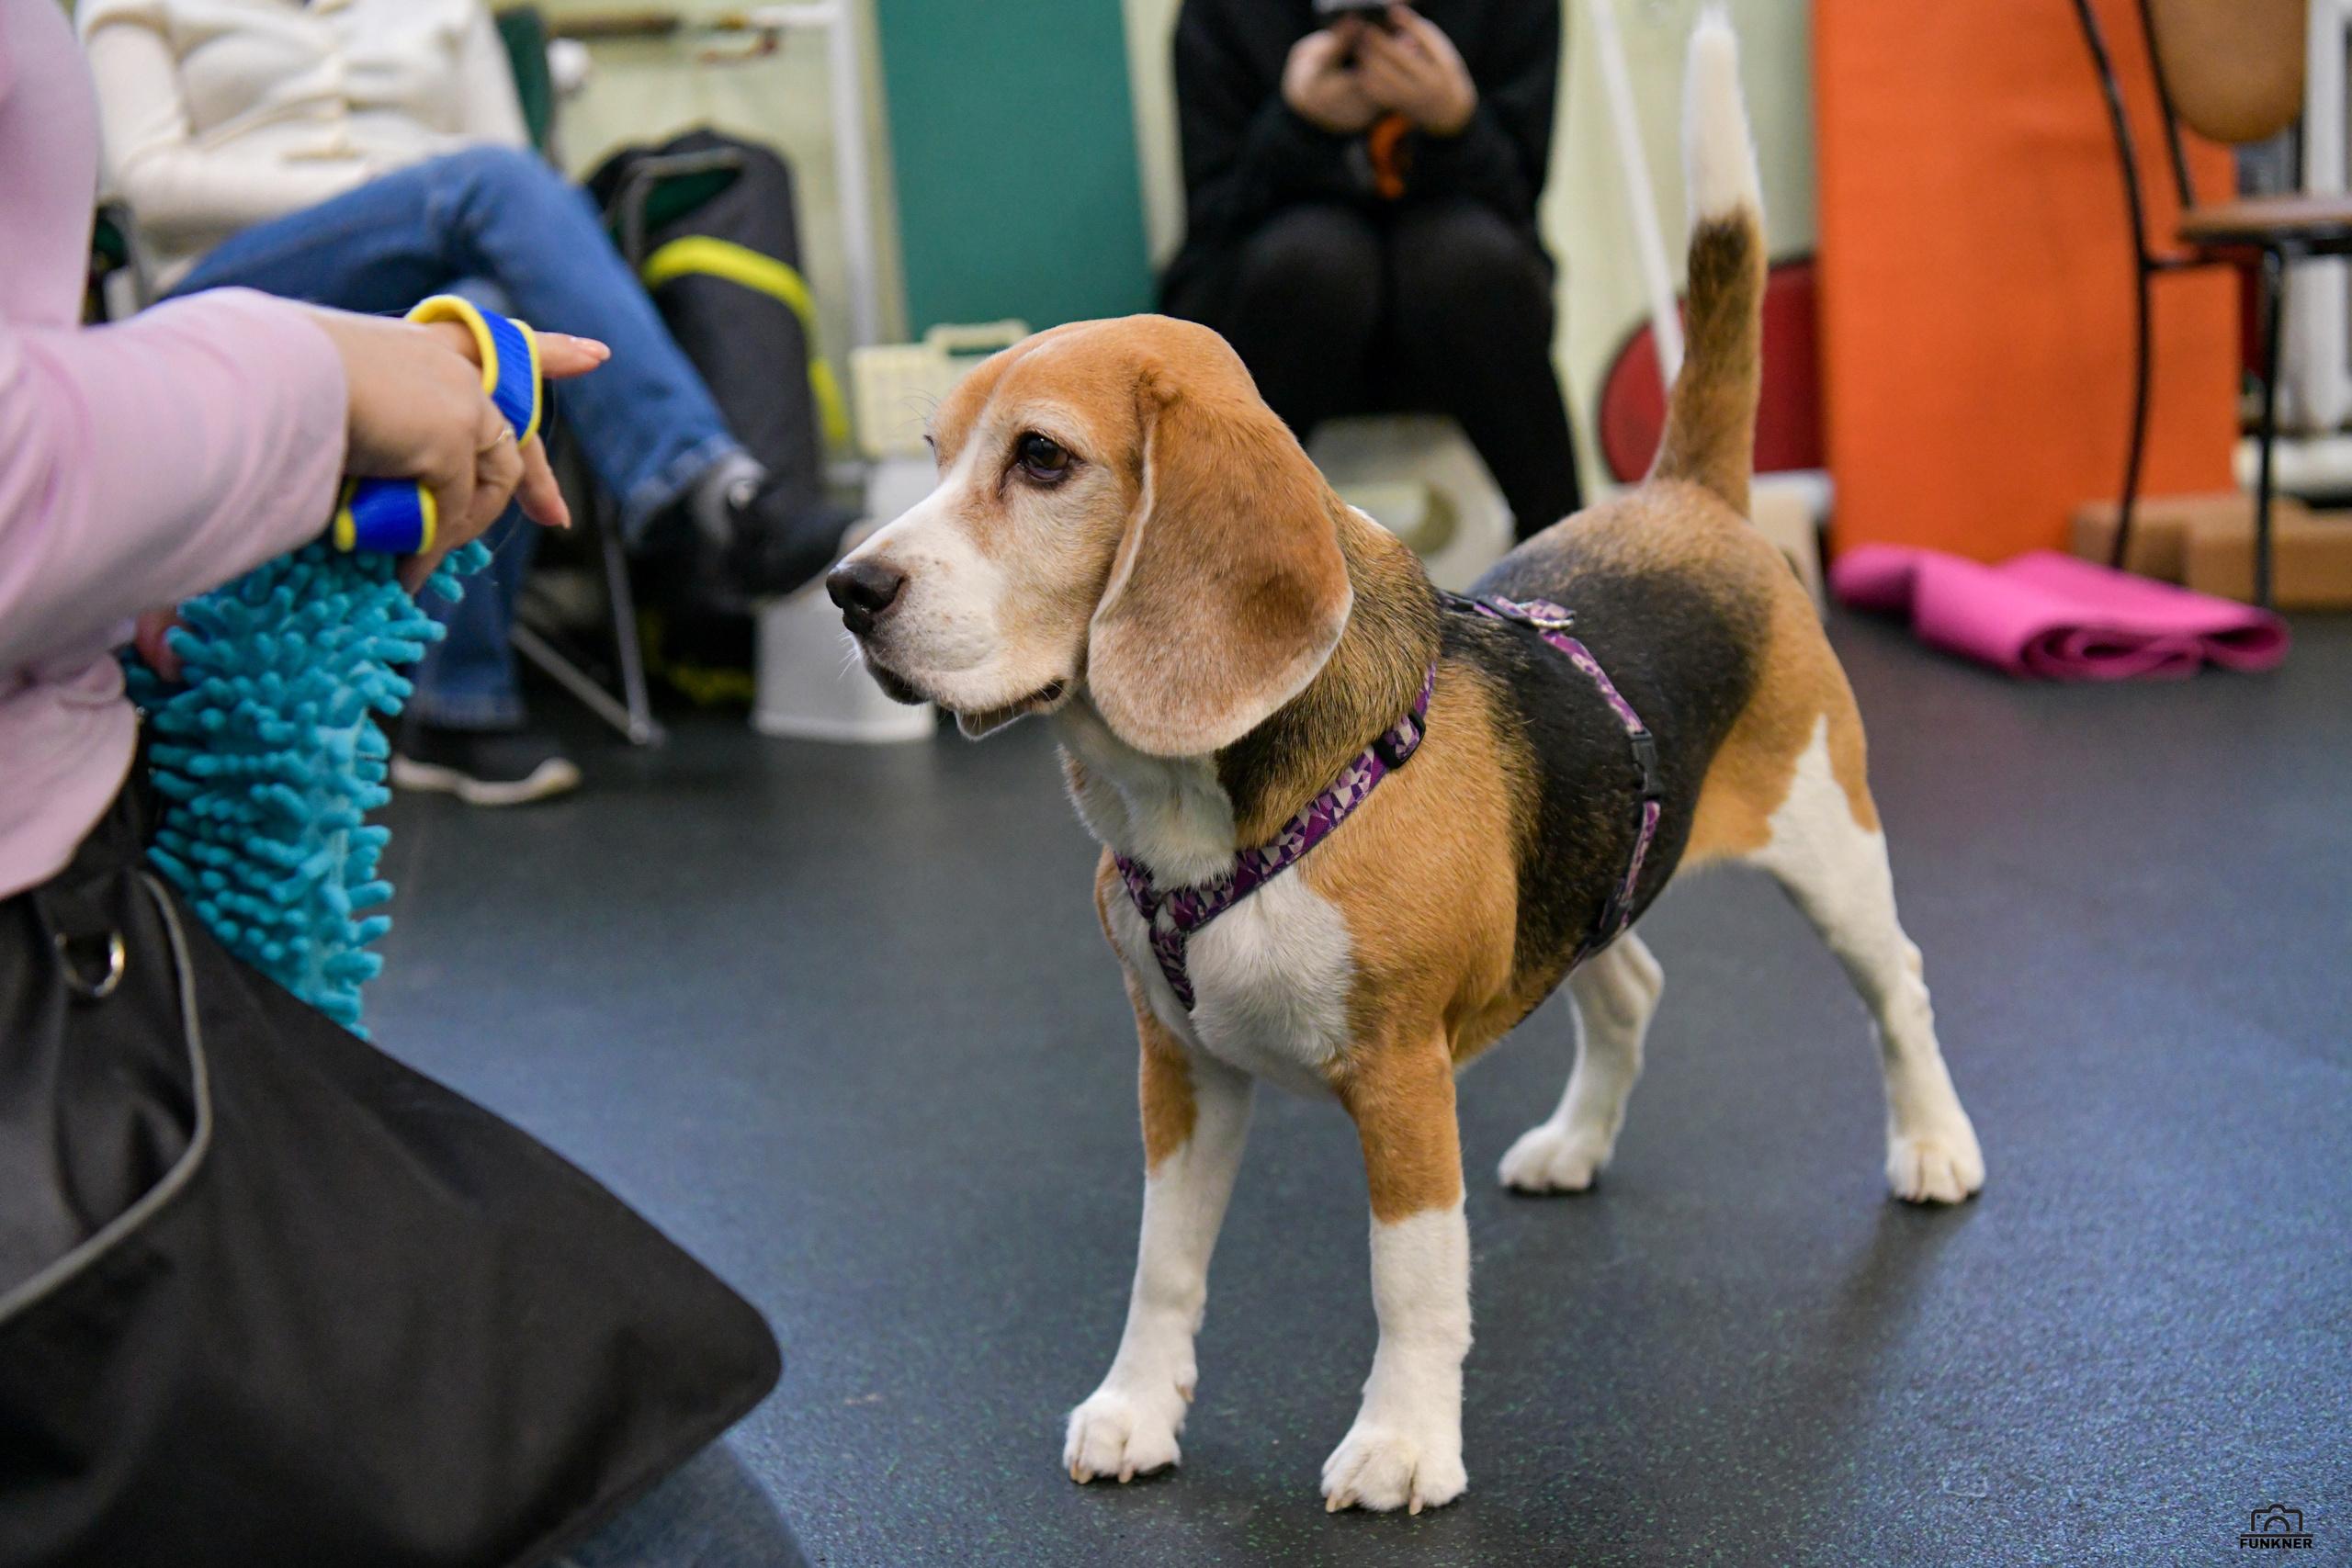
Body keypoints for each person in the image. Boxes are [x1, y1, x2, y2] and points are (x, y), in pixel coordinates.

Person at [77, 0, 851, 803]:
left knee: (491, 317)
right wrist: (394, 188)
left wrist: (437, 198)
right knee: (489, 189)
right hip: (236, 285)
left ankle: (459, 705)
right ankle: (719, 497)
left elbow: (511, 166)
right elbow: (150, 181)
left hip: (434, 262)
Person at [1162, 0, 1581, 541]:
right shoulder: (1223, 15)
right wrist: (1296, 126)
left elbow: (1517, 202)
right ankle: (1212, 557)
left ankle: (1566, 556)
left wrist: (1458, 123)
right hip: (1278, 328)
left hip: (1458, 333)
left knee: (1462, 260)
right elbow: (1215, 218)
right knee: (1317, 258)